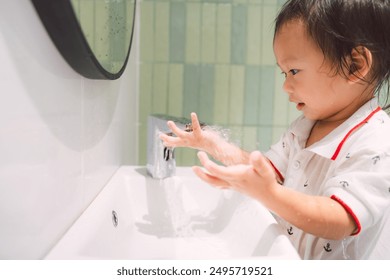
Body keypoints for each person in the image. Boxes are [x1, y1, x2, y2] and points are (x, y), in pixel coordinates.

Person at [160, 0, 390, 259]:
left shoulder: (377, 142)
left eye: (294, 71)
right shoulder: (304, 127)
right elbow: (267, 172)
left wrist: (268, 193)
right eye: (284, 74)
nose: (286, 86)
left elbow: (339, 219)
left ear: (355, 66)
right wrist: (217, 146)